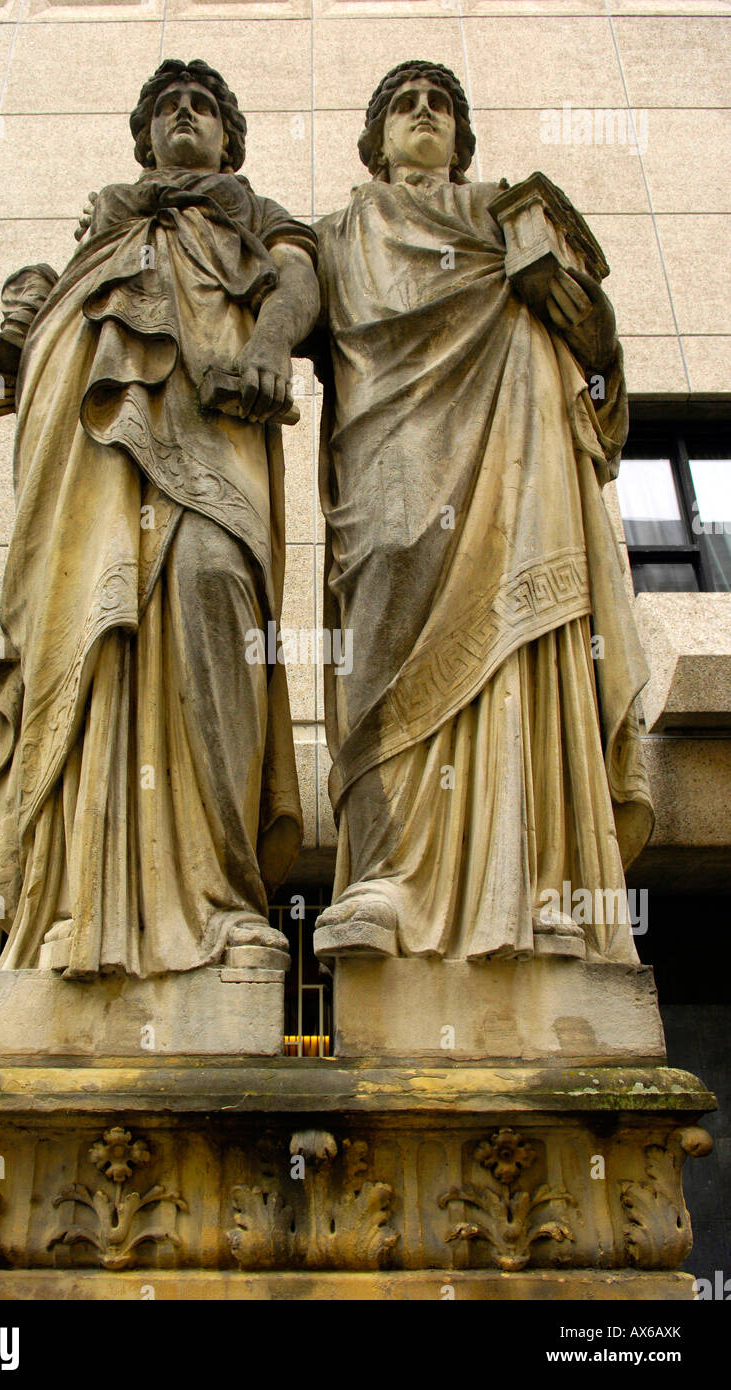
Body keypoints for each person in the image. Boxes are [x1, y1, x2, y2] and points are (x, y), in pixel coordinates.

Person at [0, 59, 319, 979]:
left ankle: (222, 897)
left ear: (228, 136)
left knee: (211, 603)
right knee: (96, 637)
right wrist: (27, 330)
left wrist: (272, 342)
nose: (185, 117)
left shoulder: (250, 214)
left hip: (213, 435)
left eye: (202, 107)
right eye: (167, 108)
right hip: (93, 470)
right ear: (145, 135)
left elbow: (300, 278)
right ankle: (78, 899)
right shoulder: (100, 234)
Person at [311, 60, 653, 965]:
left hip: (515, 446)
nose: (422, 115)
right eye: (402, 105)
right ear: (375, 141)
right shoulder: (333, 235)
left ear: (462, 141)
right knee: (379, 622)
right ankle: (383, 878)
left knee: (526, 647)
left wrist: (591, 323)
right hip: (386, 452)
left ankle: (541, 883)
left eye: (440, 106)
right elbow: (249, 322)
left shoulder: (510, 212)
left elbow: (597, 346)